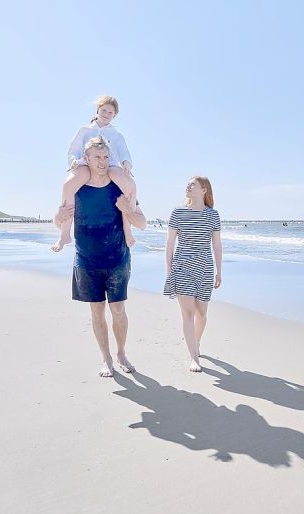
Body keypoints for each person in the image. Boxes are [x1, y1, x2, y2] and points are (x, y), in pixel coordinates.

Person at [54, 137, 147, 377]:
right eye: (97, 157)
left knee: (118, 310)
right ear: (86, 159)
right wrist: (58, 216)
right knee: (97, 312)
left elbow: (142, 223)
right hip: (86, 259)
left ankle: (121, 352)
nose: (103, 162)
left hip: (117, 258)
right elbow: (59, 220)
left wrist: (127, 209)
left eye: (106, 157)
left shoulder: (120, 187)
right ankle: (106, 359)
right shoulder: (77, 188)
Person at [53, 95, 138, 252]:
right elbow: (73, 149)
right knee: (68, 185)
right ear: (97, 110)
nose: (106, 114)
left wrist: (126, 162)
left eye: (110, 112)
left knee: (130, 185)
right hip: (85, 164)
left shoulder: (116, 134)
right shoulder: (85, 130)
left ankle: (127, 229)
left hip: (110, 166)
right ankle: (64, 234)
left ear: (115, 115)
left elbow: (124, 152)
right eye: (103, 110)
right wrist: (73, 161)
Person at [163, 176, 223, 372]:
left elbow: (216, 244)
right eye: (187, 184)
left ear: (204, 190)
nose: (188, 186)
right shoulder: (178, 213)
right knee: (188, 314)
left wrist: (219, 271)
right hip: (182, 268)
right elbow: (170, 243)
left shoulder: (213, 215)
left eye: (193, 184)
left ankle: (195, 343)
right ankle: (194, 358)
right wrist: (169, 270)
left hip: (205, 268)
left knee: (202, 314)